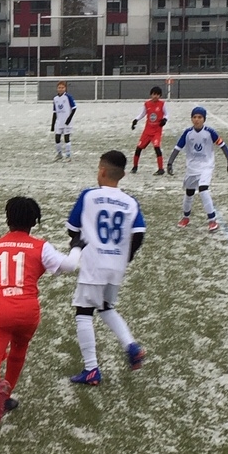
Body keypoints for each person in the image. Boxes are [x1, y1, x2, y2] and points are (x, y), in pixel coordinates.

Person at [0, 196, 82, 427]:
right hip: (28, 311)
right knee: (18, 350)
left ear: (8, 220)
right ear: (34, 222)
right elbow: (70, 265)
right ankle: (6, 397)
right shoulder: (41, 247)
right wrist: (76, 246)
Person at [65, 150, 146, 384]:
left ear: (102, 171)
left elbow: (72, 228)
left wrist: (78, 244)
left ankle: (91, 369)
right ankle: (131, 346)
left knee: (83, 312)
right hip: (116, 266)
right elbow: (139, 233)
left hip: (94, 265)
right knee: (106, 307)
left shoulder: (89, 195)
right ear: (122, 175)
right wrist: (126, 257)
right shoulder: (130, 202)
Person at [166, 106, 228, 231]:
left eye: (200, 117)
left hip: (206, 166)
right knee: (189, 193)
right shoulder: (187, 133)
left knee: (203, 189)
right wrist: (170, 163)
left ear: (204, 119)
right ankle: (185, 217)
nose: (197, 120)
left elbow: (223, 146)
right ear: (191, 119)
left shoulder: (210, 132)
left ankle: (212, 220)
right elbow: (177, 148)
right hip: (192, 168)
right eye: (194, 117)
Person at [131, 87, 168, 175]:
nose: (155, 96)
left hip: (156, 131)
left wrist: (165, 120)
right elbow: (142, 114)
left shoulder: (162, 104)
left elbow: (167, 114)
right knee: (138, 148)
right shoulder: (147, 104)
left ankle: (161, 169)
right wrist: (136, 120)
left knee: (157, 147)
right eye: (154, 94)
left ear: (160, 96)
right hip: (147, 131)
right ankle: (135, 167)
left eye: (157, 95)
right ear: (151, 94)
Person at [50, 81, 77, 161]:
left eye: (62, 88)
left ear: (65, 88)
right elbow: (55, 112)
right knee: (57, 138)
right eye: (59, 87)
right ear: (57, 88)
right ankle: (59, 154)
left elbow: (74, 108)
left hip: (66, 123)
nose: (61, 89)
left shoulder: (68, 97)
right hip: (59, 122)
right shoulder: (55, 99)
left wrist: (69, 119)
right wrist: (52, 124)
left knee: (66, 138)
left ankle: (68, 156)